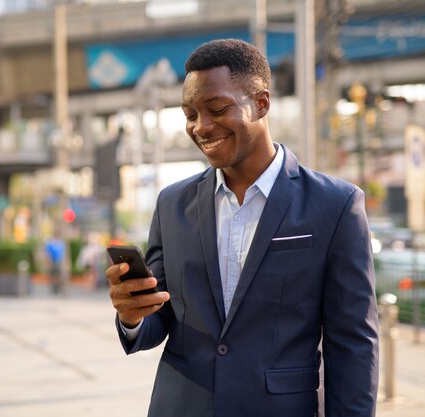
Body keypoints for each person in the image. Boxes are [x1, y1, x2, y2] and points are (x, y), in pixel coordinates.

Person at [105, 39, 378, 417]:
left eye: (216, 109)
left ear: (261, 103)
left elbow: (353, 344)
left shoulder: (336, 206)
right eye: (189, 114)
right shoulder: (172, 204)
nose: (201, 127)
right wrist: (132, 315)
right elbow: (161, 320)